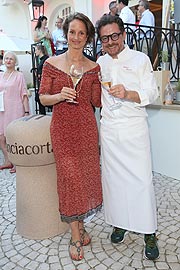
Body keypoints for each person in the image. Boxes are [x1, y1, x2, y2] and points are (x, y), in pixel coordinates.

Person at [39, 12, 102, 261]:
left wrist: (102, 83)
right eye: (72, 32)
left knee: (85, 178)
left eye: (81, 33)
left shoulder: (93, 66)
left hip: (86, 128)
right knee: (69, 179)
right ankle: (75, 234)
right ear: (66, 34)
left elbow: (96, 102)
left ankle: (82, 224)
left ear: (87, 38)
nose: (76, 37)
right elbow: (43, 97)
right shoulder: (51, 64)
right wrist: (60, 95)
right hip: (63, 129)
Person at [96, 15, 159, 260]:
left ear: (123, 34)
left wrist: (129, 93)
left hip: (134, 128)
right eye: (105, 38)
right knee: (114, 180)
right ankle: (120, 223)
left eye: (114, 36)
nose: (110, 42)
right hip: (110, 130)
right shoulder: (99, 63)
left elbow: (152, 92)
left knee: (141, 182)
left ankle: (149, 232)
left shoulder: (140, 59)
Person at [0, 51, 29, 173]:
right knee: (2, 137)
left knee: (15, 137)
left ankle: (18, 163)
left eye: (11, 59)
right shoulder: (0, 75)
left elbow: (24, 94)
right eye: (6, 58)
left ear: (15, 61)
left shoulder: (19, 75)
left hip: (15, 109)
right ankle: (8, 161)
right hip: (2, 109)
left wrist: (26, 111)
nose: (8, 61)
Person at [34, 44, 49, 114]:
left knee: (40, 99)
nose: (35, 52)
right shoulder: (42, 60)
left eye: (36, 50)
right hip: (42, 83)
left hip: (45, 83)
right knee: (38, 99)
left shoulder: (45, 59)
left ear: (40, 50)